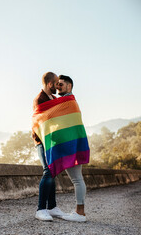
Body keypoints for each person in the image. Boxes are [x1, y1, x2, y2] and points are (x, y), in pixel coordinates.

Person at [32, 72, 66, 221]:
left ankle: (52, 207)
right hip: (42, 141)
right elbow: (44, 121)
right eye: (56, 83)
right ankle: (41, 209)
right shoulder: (39, 99)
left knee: (53, 171)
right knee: (47, 171)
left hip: (53, 141)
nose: (58, 86)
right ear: (50, 83)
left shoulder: (54, 99)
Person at [56, 75, 87, 222]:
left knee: (76, 179)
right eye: (56, 84)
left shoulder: (67, 101)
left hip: (71, 146)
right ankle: (78, 211)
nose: (58, 87)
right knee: (77, 178)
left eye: (60, 84)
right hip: (73, 144)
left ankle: (80, 213)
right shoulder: (69, 101)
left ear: (69, 86)